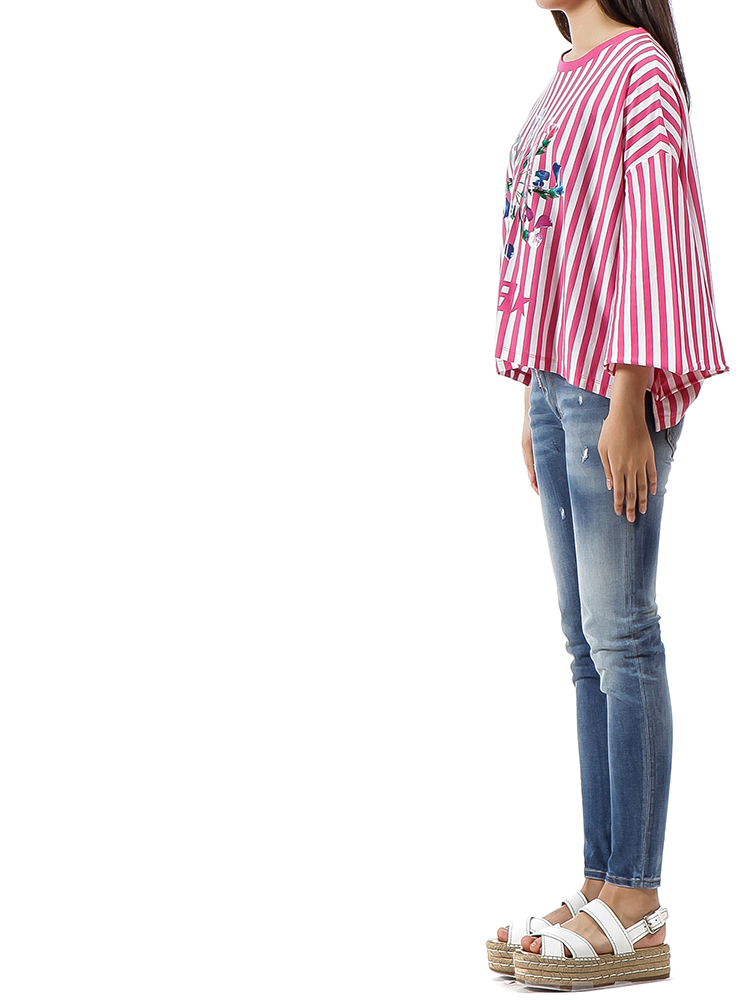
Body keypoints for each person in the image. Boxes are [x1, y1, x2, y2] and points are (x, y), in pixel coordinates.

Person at [485, 1, 730, 990]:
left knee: (623, 633)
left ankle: (637, 899)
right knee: (585, 642)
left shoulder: (638, 70)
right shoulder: (562, 80)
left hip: (609, 386)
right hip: (558, 385)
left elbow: (650, 232)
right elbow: (550, 244)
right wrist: (533, 397)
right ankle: (601, 881)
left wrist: (629, 396)